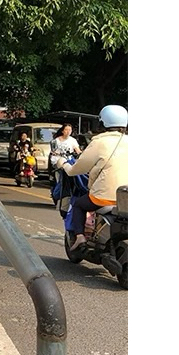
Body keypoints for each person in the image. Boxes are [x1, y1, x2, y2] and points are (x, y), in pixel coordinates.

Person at [57, 105, 128, 250]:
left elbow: (76, 170)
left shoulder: (99, 142)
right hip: (127, 199)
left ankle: (80, 237)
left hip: (105, 197)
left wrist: (63, 164)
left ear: (102, 123)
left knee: (79, 205)